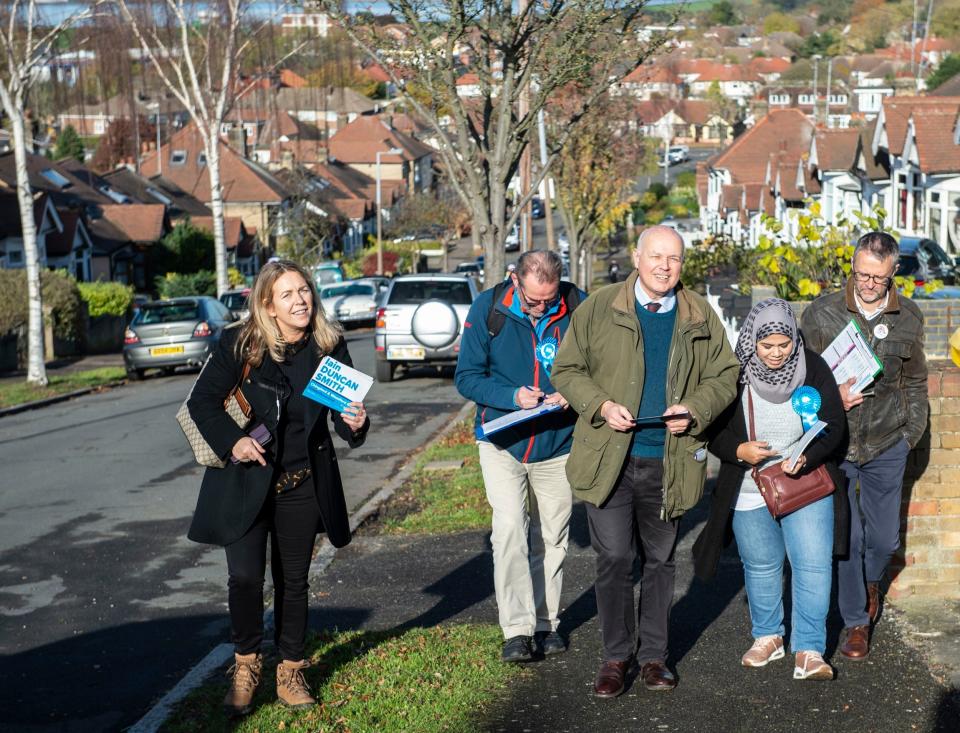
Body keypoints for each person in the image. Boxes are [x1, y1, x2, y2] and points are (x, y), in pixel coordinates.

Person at [551, 225, 739, 697]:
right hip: (609, 459)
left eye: (673, 259)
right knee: (614, 558)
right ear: (636, 257)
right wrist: (599, 405)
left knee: (660, 561)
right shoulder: (600, 306)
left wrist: (694, 409)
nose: (664, 266)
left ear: (682, 265)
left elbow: (726, 374)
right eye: (656, 256)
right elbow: (566, 369)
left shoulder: (698, 314)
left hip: (668, 461)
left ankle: (655, 657)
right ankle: (616, 657)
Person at [185, 260, 369, 715]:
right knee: (245, 578)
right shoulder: (241, 344)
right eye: (287, 294)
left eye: (304, 291)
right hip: (245, 482)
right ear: (268, 304)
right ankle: (246, 665)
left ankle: (290, 670)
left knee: (294, 581)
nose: (300, 300)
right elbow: (202, 403)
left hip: (301, 482)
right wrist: (235, 442)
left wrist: (356, 422)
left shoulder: (329, 346)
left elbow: (344, 421)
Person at [693, 298, 848, 680]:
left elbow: (833, 424)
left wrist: (807, 457)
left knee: (812, 565)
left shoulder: (813, 366)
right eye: (767, 346)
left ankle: (810, 649)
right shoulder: (733, 372)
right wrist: (739, 450)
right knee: (761, 567)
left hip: (805, 482)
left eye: (784, 344)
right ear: (752, 342)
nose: (777, 353)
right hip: (749, 485)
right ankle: (767, 637)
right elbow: (713, 432)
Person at [801, 231, 928, 661]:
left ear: (893, 272)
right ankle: (857, 622)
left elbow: (914, 380)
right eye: (861, 274)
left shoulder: (908, 316)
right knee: (847, 536)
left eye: (877, 277)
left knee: (885, 539)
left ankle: (873, 580)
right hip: (835, 441)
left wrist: (911, 433)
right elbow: (802, 380)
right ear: (852, 267)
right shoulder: (821, 314)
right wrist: (829, 398)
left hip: (887, 441)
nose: (868, 284)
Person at [455, 249, 584, 663]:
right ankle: (517, 629)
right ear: (515, 280)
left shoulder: (577, 306)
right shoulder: (487, 309)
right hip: (501, 442)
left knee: (555, 536)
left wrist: (575, 393)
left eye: (549, 300)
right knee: (509, 529)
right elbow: (467, 377)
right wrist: (512, 397)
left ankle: (547, 624)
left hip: (557, 443)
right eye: (533, 300)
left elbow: (598, 365)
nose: (542, 307)